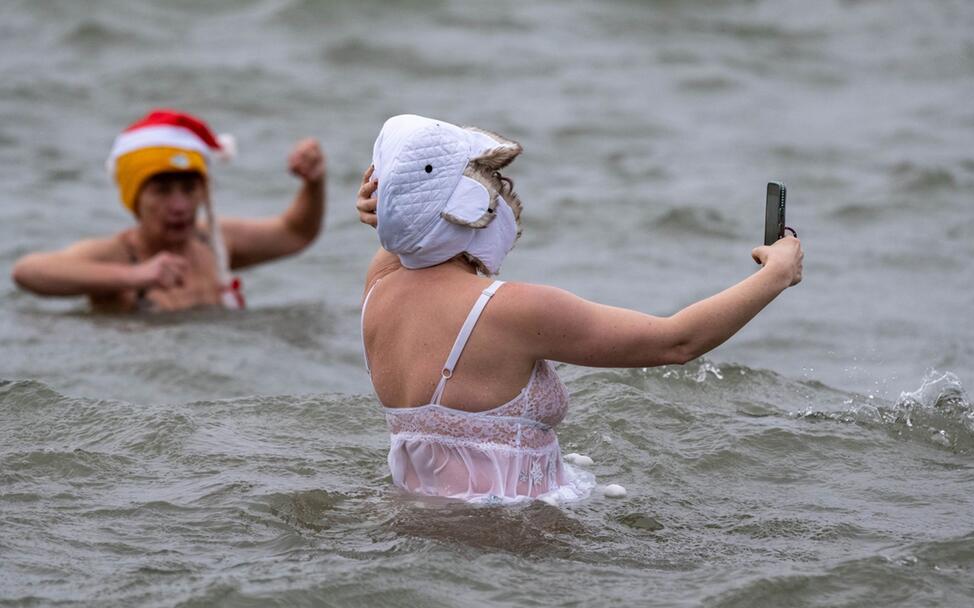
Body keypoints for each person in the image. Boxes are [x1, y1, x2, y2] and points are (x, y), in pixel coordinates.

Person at [357, 114, 803, 505]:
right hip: (510, 533)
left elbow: (408, 240)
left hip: (412, 514)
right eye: (495, 183)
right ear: (467, 207)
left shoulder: (379, 290)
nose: (505, 190)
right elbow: (677, 341)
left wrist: (397, 208)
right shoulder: (514, 311)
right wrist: (775, 275)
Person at [11, 109, 325, 312]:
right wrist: (134, 276)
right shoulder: (117, 254)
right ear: (134, 198)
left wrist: (313, 183)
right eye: (162, 191)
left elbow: (295, 233)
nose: (180, 206)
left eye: (190, 189)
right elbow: (27, 272)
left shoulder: (213, 241)